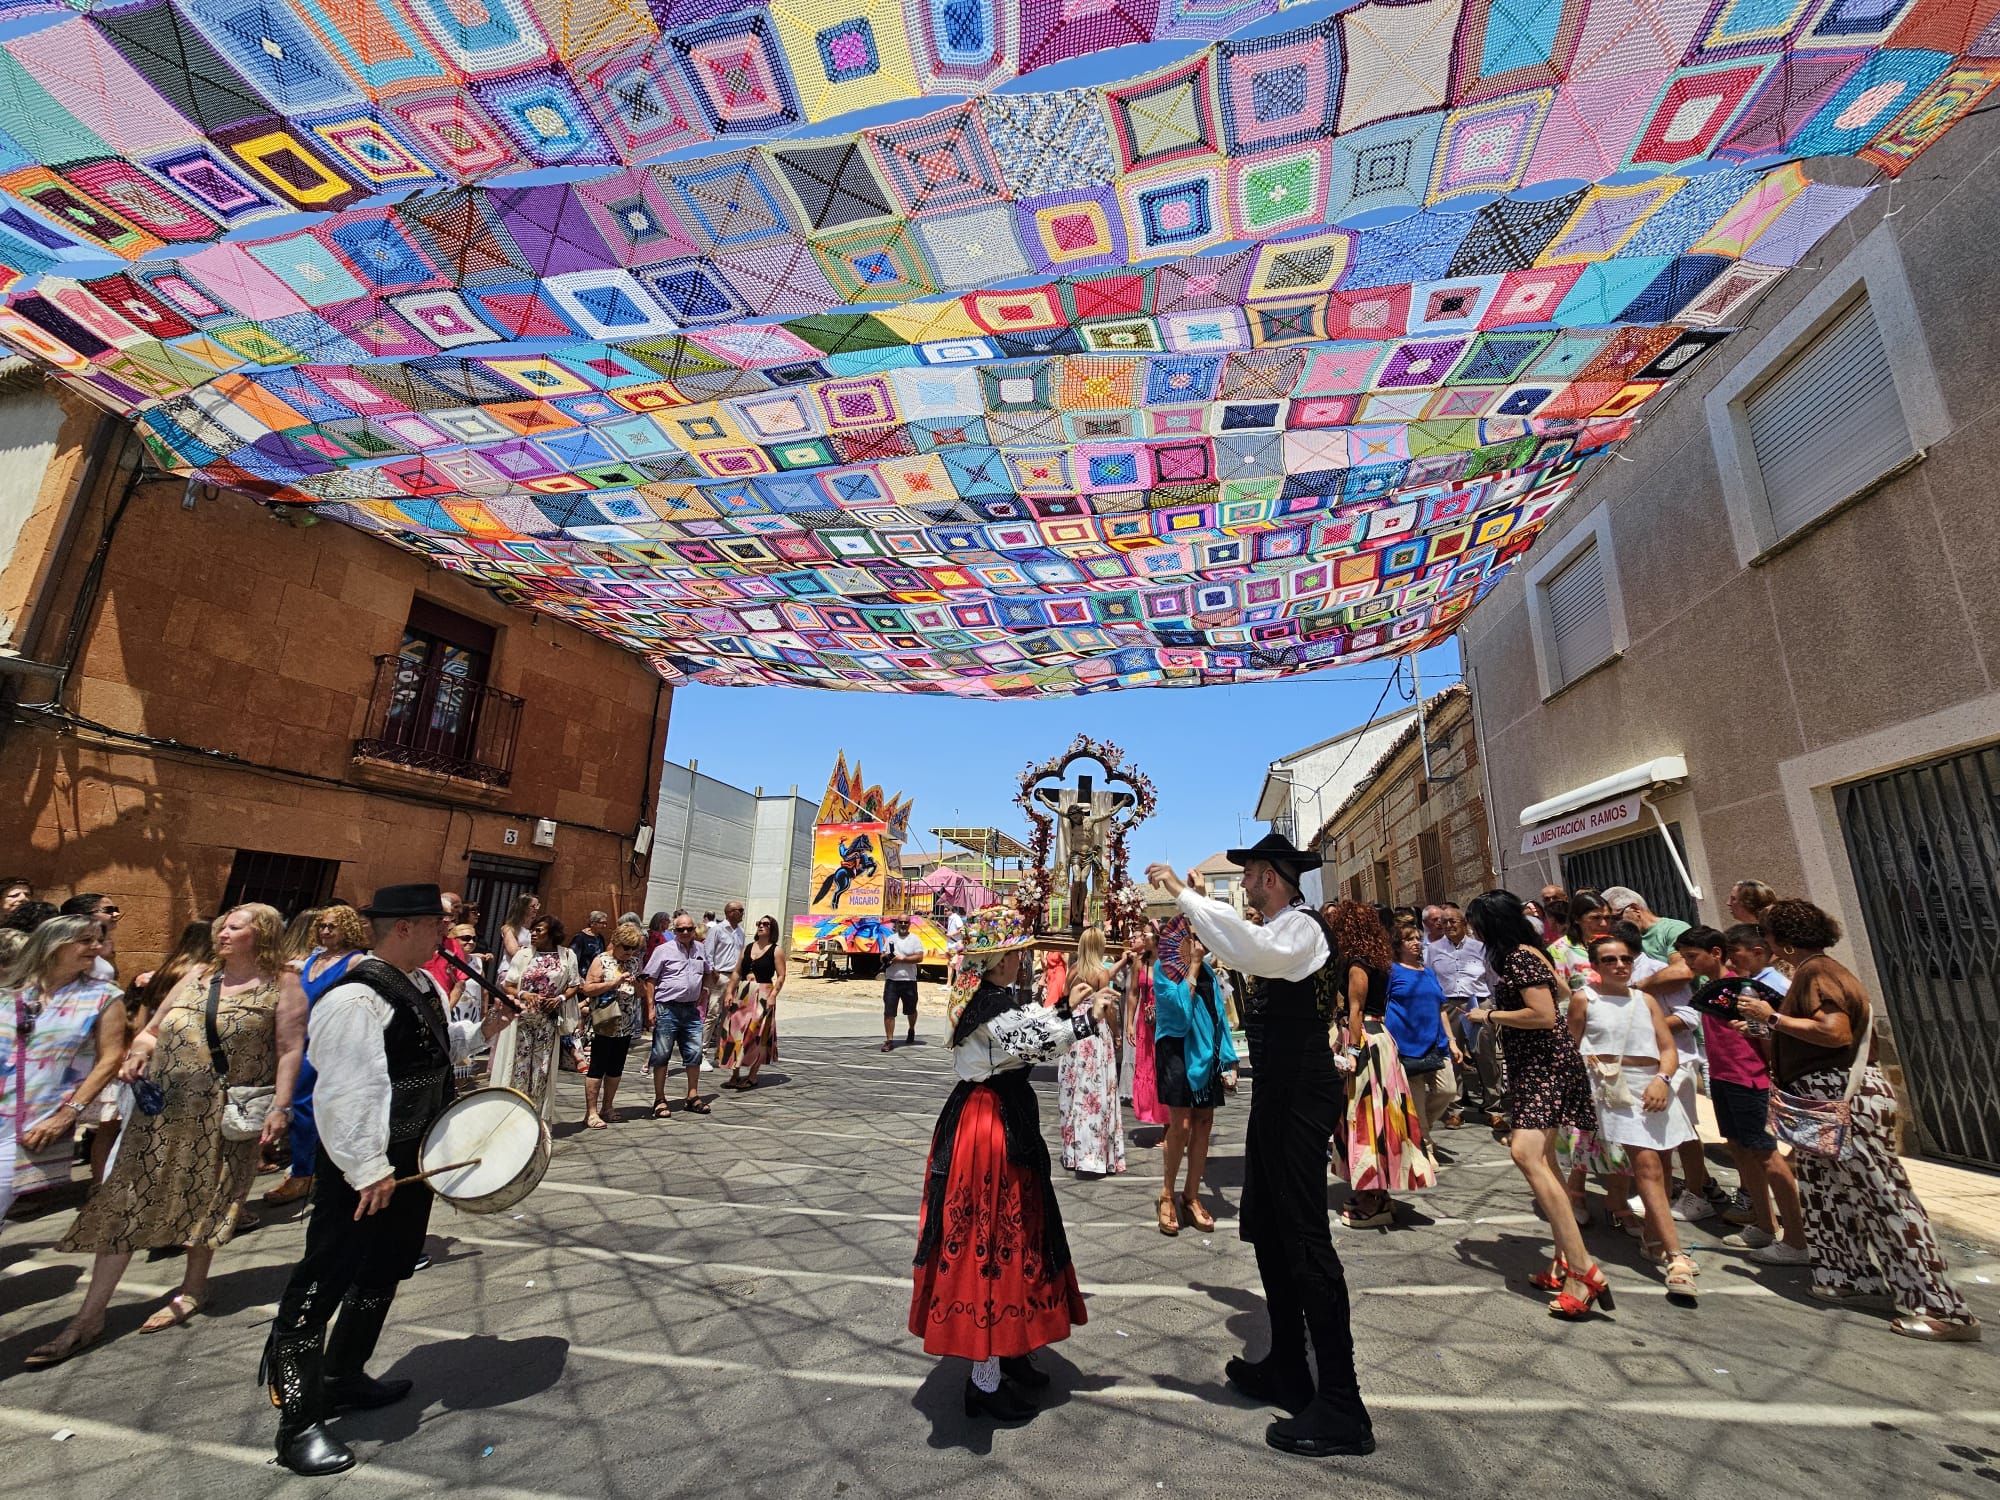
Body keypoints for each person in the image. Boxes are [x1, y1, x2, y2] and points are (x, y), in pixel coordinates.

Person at [265, 884, 519, 1474]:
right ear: (404, 928)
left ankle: (343, 1375)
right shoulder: (354, 999)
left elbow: (432, 1051)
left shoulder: (421, 983)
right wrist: (367, 1169)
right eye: (437, 924)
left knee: (384, 1267)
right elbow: (346, 1092)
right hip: (364, 1168)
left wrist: (486, 1030)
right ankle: (298, 1423)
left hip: (410, 1159)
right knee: (323, 1280)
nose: (446, 935)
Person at [1148, 834, 1374, 1460]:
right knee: (1270, 1228)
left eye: (1248, 873)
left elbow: (1247, 949)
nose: (1243, 883)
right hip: (1278, 1092)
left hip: (1300, 1093)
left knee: (1304, 1235)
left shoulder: (1300, 929)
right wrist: (1193, 905)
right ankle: (1287, 1366)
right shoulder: (1276, 927)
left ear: (1270, 877)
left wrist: (1183, 895)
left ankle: (1343, 1403)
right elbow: (1241, 942)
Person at [28, 904, 306, 1365]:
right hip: (160, 1109)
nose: (222, 933)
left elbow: (289, 1048)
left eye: (234, 927)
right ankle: (88, 1317)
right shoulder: (198, 974)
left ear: (262, 934)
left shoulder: (284, 983)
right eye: (222, 927)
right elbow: (152, 1031)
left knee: (210, 1196)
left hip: (222, 1113)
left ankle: (194, 1289)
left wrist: (280, 1106)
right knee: (125, 1201)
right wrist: (139, 1052)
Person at [1733, 900, 1980, 1341]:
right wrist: (1766, 1029)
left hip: (1842, 1099)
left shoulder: (1817, 972)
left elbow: (1835, 1032)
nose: (1764, 942)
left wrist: (1771, 1016)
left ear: (1784, 942)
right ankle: (1847, 1275)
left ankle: (1941, 1308)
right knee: (1825, 1191)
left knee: (1883, 1195)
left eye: (1767, 934)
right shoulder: (1814, 970)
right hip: (1821, 1103)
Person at [909, 907, 1116, 1421]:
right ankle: (984, 1378)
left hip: (999, 1117)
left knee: (1018, 1230)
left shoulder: (991, 998)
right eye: (1017, 954)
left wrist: (1066, 1007)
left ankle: (1013, 1347)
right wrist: (1085, 1018)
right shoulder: (989, 1004)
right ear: (1000, 960)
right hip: (988, 1127)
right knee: (992, 1234)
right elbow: (1032, 1041)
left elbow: (1031, 1026)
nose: (1022, 961)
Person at [1462, 890, 1607, 1320]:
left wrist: (1490, 1015)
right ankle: (1563, 1262)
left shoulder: (1517, 958)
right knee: (1545, 1161)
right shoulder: (1533, 952)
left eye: (1476, 923)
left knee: (1525, 1154)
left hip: (1543, 1065)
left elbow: (1543, 1014)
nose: (1473, 931)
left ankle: (1583, 1270)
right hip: (1542, 1063)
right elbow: (1559, 990)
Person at [1572, 933, 1699, 1298]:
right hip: (1615, 1091)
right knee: (1647, 1167)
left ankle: (1653, 1239)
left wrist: (1662, 1080)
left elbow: (1667, 1049)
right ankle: (1676, 1257)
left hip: (1655, 1087)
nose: (1619, 966)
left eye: (1625, 959)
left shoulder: (1646, 1000)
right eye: (1609, 960)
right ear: (1595, 966)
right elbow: (1571, 1047)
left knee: (1664, 1165)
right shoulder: (1585, 998)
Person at [1678, 924, 1808, 1264]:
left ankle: (1796, 1240)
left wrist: (1772, 1074)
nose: (1688, 964)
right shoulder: (1710, 988)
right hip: (1723, 1078)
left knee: (1766, 1156)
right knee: (1740, 1152)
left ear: (1715, 954)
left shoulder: (1747, 989)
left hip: (1750, 1081)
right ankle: (1764, 1225)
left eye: (1692, 956)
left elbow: (1771, 1034)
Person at [1, 917, 125, 1223]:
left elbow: (110, 1059)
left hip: (33, 1124)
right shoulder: (10, 990)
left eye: (98, 940)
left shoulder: (103, 997)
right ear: (53, 944)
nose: (96, 947)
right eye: (85, 940)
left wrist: (68, 1114)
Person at [1329, 901, 1434, 1229]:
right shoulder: (1377, 960)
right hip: (1378, 1040)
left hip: (1367, 1042)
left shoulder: (1359, 963)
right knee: (1379, 1118)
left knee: (1367, 1118)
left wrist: (1351, 1052)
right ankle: (1377, 1193)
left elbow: (1356, 1011)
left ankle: (1373, 1198)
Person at [266, 905, 371, 1207]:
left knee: (318, 1107)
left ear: (347, 928)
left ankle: (308, 1172)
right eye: (322, 926)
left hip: (331, 1043)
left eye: (332, 927)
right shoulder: (312, 960)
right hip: (301, 1039)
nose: (325, 931)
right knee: (299, 1105)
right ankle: (305, 1169)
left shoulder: (356, 961)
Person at [1151, 919, 1237, 1235]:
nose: (1196, 944)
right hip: (1176, 1050)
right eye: (1190, 938)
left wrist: (1229, 1058)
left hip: (1206, 1053)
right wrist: (1195, 967)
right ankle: (1167, 1194)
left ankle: (1191, 1196)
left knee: (1204, 1122)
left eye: (1197, 938)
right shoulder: (1163, 970)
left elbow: (1218, 1016)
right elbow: (1180, 1012)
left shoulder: (1210, 974)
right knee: (1182, 1124)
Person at [1057, 926, 1125, 1182]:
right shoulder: (1101, 973)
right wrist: (1116, 1033)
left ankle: (1073, 1152)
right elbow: (1107, 1008)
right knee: (1096, 1092)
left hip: (1074, 1033)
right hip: (1094, 1034)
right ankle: (1095, 1154)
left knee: (1074, 1091)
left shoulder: (1073, 971)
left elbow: (1064, 1003)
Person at [1384, 923, 1459, 1151]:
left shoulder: (1427, 972)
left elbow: (1441, 1008)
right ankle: (1424, 1144)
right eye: (1410, 939)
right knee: (1415, 1098)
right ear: (1398, 945)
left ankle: (1414, 1129)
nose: (1416, 942)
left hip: (1436, 1042)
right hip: (1405, 1044)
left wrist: (1452, 1041)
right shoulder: (1391, 971)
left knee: (1447, 1090)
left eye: (1418, 938)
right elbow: (1383, 1006)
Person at [499, 916, 578, 1120]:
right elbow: (508, 984)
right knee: (519, 1067)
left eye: (539, 930)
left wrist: (559, 998)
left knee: (542, 1069)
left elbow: (574, 984)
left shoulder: (567, 956)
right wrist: (524, 994)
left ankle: (536, 1116)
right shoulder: (523, 955)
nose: (533, 934)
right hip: (523, 1019)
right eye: (532, 930)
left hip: (548, 1021)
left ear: (552, 933)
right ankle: (514, 1115)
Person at [1424, 902, 1493, 1128]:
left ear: (1464, 924)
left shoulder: (1480, 948)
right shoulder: (1434, 949)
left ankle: (1494, 1108)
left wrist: (1490, 1007)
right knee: (1453, 1057)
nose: (1448, 925)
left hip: (1478, 1003)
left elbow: (1491, 977)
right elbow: (1430, 978)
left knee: (1485, 1055)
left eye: (1452, 921)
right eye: (1443, 922)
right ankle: (1455, 1110)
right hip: (1448, 1006)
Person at [641, 912, 710, 1118]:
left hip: (691, 1010)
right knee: (662, 1054)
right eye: (681, 929)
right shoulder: (663, 950)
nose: (685, 932)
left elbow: (708, 972)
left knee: (694, 1053)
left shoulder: (701, 949)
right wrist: (651, 1008)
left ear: (694, 929)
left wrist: (705, 990)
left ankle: (692, 1096)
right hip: (667, 1008)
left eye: (689, 928)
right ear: (675, 930)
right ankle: (660, 1099)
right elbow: (650, 980)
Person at [580, 922, 644, 1127]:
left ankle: (607, 1106)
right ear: (616, 943)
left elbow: (642, 993)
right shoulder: (602, 960)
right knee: (597, 1066)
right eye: (626, 947)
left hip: (625, 1023)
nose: (629, 952)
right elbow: (587, 989)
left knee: (616, 1068)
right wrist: (614, 983)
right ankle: (591, 1112)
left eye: (634, 948)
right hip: (605, 1022)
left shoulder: (634, 963)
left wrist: (637, 985)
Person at [719, 915, 784, 1090]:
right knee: (735, 1032)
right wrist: (729, 992)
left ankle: (753, 1075)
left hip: (763, 992)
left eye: (765, 924)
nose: (761, 926)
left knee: (757, 1034)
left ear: (772, 928)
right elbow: (736, 972)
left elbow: (781, 976)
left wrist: (773, 996)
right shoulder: (747, 948)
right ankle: (735, 1074)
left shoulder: (776, 950)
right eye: (759, 923)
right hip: (743, 992)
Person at [702, 902, 747, 1055]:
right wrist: (713, 971)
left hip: (734, 977)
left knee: (728, 1016)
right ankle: (702, 1051)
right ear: (729, 912)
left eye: (742, 910)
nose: (742, 913)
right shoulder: (717, 930)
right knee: (713, 1013)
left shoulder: (740, 931)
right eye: (739, 910)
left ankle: (720, 1053)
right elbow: (708, 952)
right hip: (719, 975)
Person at [880, 913, 926, 1051]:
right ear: (897, 923)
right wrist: (886, 957)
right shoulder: (891, 939)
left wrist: (902, 959)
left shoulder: (915, 939)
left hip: (909, 980)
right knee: (889, 1012)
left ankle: (911, 1029)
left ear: (909, 924)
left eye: (906, 922)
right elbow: (882, 955)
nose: (903, 925)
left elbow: (919, 957)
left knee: (911, 1010)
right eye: (901, 922)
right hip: (892, 980)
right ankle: (889, 1040)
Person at [60, 893, 122, 981]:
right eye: (109, 910)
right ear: (84, 915)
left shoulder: (107, 945)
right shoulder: (66, 948)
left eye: (116, 910)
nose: (116, 914)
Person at [499, 893, 539, 966]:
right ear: (523, 908)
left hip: (529, 969)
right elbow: (513, 952)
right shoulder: (509, 928)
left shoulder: (535, 929)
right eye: (533, 906)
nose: (537, 908)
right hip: (510, 968)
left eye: (538, 905)